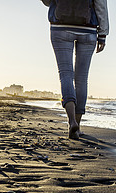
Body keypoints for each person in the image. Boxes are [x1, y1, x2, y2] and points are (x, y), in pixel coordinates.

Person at [41, 0, 109, 139]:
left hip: (60, 27)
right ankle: (77, 126)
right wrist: (102, 34)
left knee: (65, 74)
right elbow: (101, 4)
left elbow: (47, 1)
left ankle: (71, 121)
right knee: (82, 79)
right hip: (88, 29)